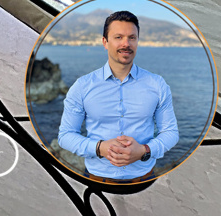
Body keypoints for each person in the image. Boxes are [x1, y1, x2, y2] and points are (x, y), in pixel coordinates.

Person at [57, 10, 179, 182]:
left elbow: (170, 132)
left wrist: (144, 150)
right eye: (118, 37)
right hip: (97, 178)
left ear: (137, 41)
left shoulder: (157, 84)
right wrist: (99, 148)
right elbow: (66, 135)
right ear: (105, 42)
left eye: (132, 38)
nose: (126, 44)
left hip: (144, 178)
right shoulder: (82, 86)